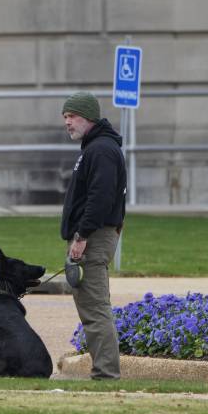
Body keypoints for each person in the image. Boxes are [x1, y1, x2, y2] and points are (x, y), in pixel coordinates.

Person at [60, 91, 127, 380]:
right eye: (65, 117)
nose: (67, 122)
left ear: (88, 116)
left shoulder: (100, 150)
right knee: (93, 308)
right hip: (96, 235)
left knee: (96, 310)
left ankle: (106, 375)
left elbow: (100, 198)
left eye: (71, 116)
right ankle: (105, 372)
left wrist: (83, 235)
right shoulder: (96, 148)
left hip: (93, 237)